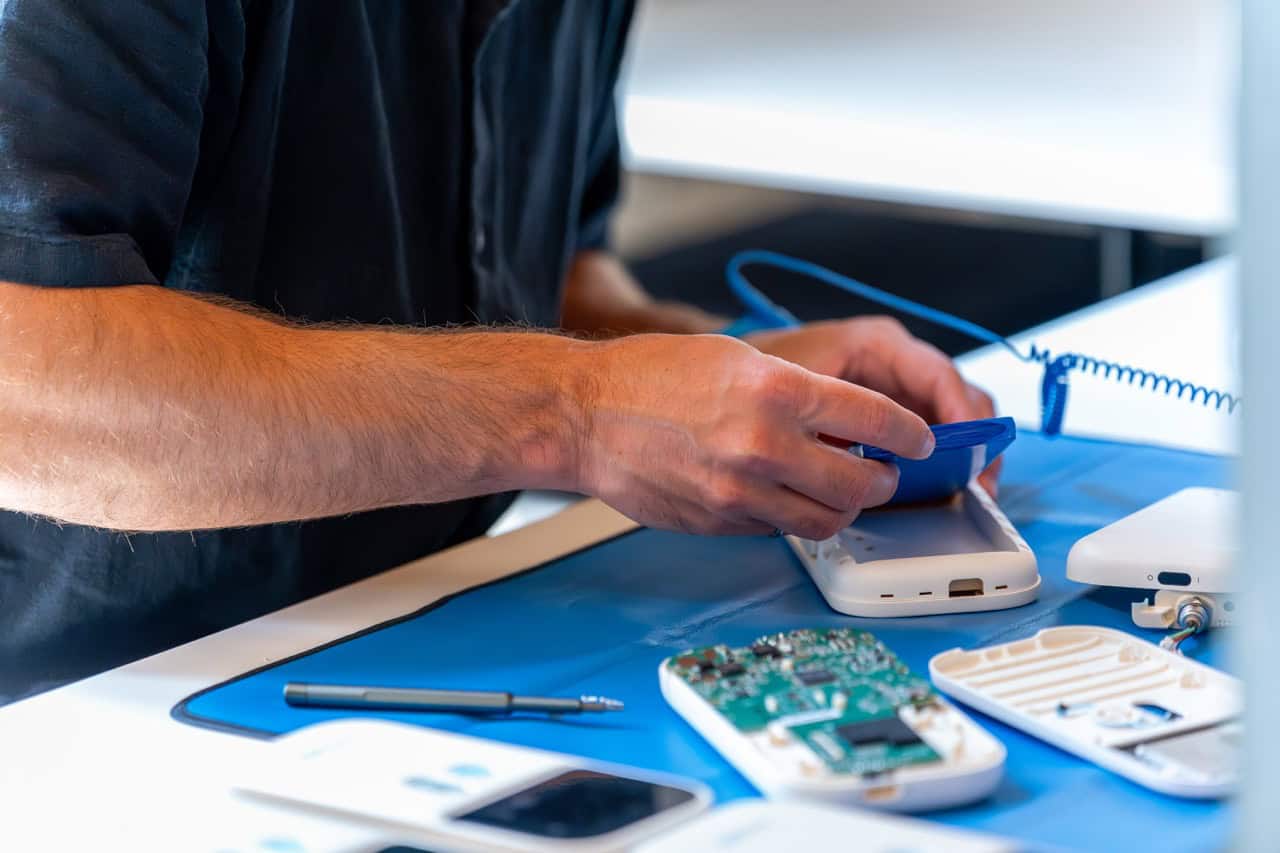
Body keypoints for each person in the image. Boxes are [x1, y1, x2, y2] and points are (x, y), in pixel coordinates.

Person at [0, 2, 995, 703]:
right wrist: (581, 409)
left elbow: (538, 289)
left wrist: (727, 376)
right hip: (89, 708)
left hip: (416, 634)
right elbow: (24, 379)